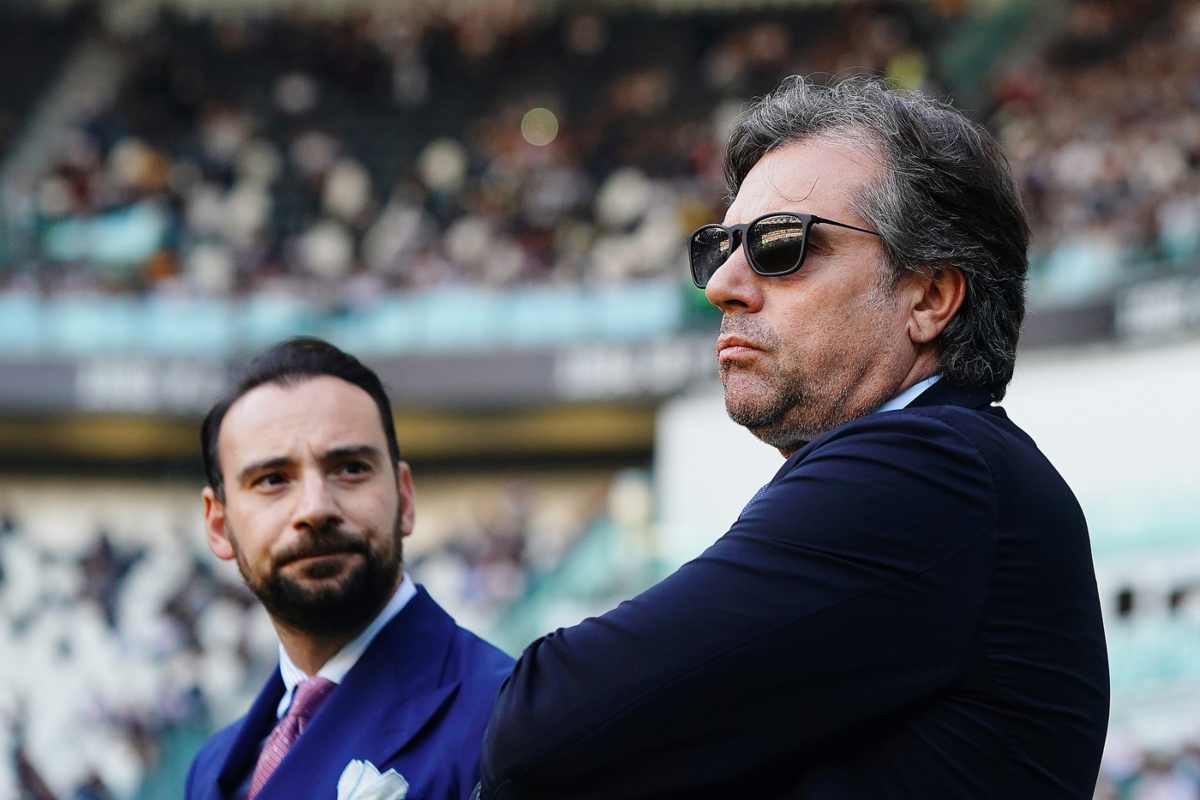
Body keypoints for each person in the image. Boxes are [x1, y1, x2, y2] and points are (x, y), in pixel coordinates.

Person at [478, 75, 1110, 799]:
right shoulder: (949, 473)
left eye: (780, 245)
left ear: (930, 297)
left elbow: (539, 726)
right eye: (719, 247)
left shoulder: (927, 469)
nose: (721, 285)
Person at [186, 338, 513, 800]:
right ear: (219, 525)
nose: (315, 508)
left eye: (350, 469)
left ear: (405, 497)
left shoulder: (507, 722)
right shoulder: (211, 767)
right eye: (273, 480)